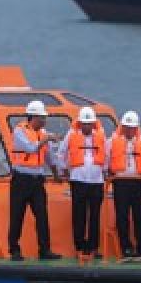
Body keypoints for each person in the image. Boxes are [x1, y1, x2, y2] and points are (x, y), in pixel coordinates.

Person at [8, 99, 62, 261]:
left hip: (37, 180)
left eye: (44, 118)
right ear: (32, 117)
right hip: (21, 180)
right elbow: (31, 148)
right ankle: (14, 250)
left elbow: (50, 158)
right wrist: (46, 139)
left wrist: (56, 175)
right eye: (41, 117)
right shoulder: (19, 131)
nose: (44, 120)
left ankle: (45, 250)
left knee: (42, 215)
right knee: (17, 215)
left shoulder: (43, 134)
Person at [60, 106, 107, 258]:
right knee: (78, 215)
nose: (87, 126)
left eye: (90, 123)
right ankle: (79, 246)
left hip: (96, 181)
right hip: (78, 180)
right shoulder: (71, 135)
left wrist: (104, 172)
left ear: (94, 124)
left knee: (95, 215)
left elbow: (105, 154)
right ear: (79, 123)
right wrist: (64, 170)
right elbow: (61, 152)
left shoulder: (100, 136)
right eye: (84, 123)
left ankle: (93, 247)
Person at [106, 110, 141, 258]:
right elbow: (106, 159)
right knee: (122, 215)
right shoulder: (112, 141)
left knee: (140, 215)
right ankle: (125, 246)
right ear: (122, 127)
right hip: (121, 182)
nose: (130, 130)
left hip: (138, 182)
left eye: (133, 127)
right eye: (127, 127)